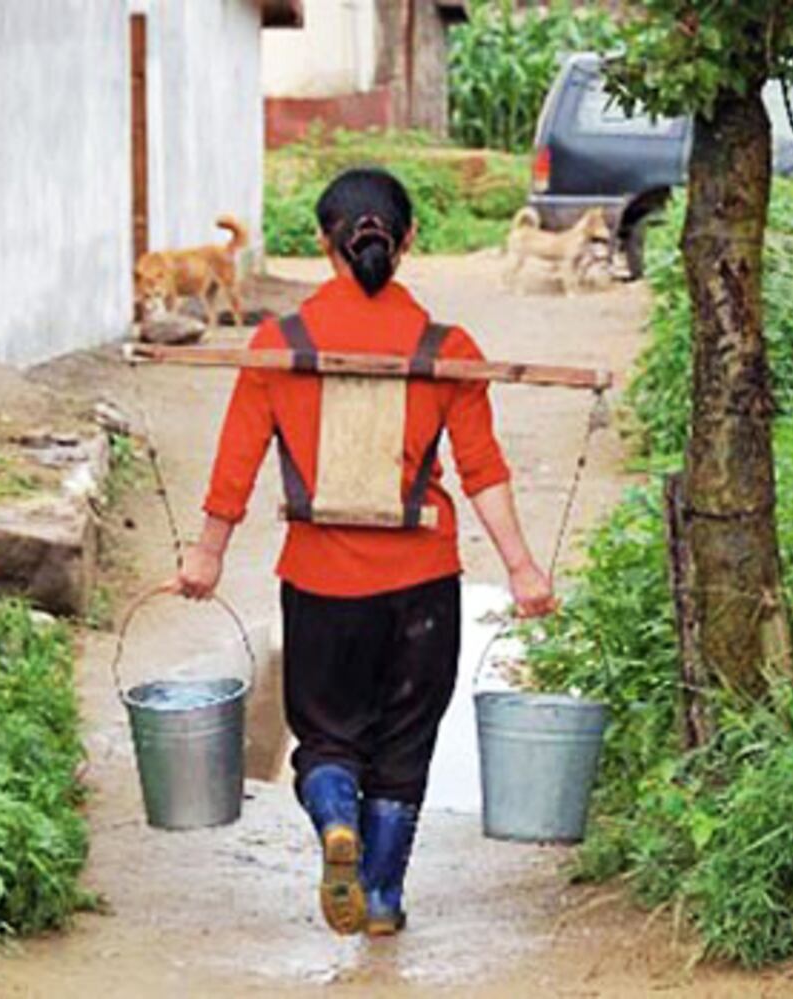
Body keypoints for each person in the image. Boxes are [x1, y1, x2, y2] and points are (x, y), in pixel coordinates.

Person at [173, 168, 556, 937]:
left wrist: (205, 556)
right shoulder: (449, 350)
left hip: (318, 584)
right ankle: (380, 898)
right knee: (405, 742)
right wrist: (521, 567)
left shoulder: (280, 346)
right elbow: (483, 472)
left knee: (326, 738)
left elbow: (235, 464)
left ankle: (335, 814)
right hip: (423, 586)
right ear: (408, 241)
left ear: (323, 242)